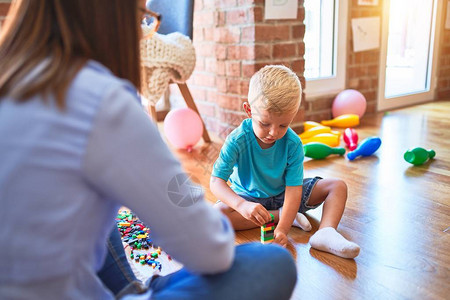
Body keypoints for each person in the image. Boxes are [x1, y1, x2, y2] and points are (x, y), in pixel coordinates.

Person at [0, 1, 297, 299]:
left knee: (96, 208)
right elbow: (211, 251)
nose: (144, 32)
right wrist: (210, 205)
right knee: (272, 263)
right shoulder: (102, 100)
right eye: (143, 17)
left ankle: (130, 288)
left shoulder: (10, 78)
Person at [210, 65, 361, 259]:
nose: (274, 133)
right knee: (216, 216)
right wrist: (242, 206)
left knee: (338, 187)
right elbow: (216, 182)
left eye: (283, 125)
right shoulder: (237, 140)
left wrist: (282, 230)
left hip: (286, 196)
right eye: (265, 124)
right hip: (249, 197)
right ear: (248, 110)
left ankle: (325, 232)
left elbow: (294, 190)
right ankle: (279, 214)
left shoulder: (293, 143)